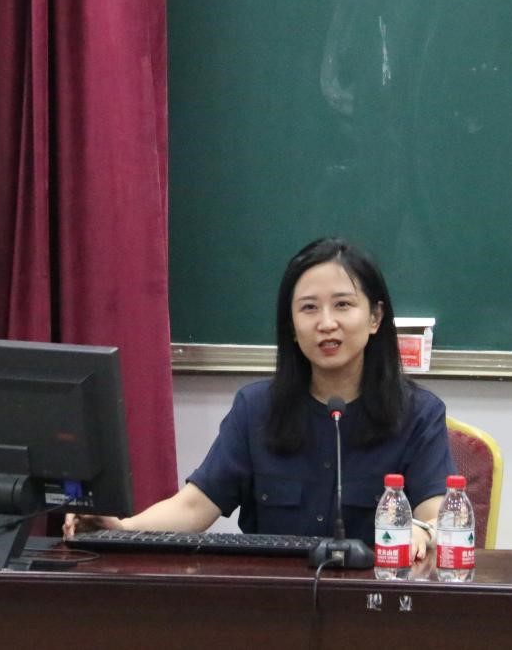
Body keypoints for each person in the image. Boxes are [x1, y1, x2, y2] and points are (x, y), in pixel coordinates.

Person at [65, 237, 455, 562]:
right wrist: (123, 528)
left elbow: (436, 516)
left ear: (374, 318)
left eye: (343, 305)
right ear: (292, 325)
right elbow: (194, 507)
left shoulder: (419, 414)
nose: (326, 323)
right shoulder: (256, 410)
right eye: (309, 308)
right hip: (272, 604)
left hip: (373, 603)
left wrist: (422, 531)